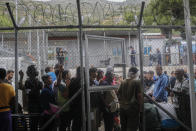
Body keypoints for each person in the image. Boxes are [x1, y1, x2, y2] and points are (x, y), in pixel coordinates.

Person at [118, 67, 143, 131]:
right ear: (136, 74)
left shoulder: (123, 82)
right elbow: (139, 96)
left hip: (122, 108)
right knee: (132, 128)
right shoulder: (137, 82)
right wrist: (141, 109)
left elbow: (118, 94)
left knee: (123, 127)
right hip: (132, 109)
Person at [24, 65, 43, 131]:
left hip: (38, 104)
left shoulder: (38, 81)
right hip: (32, 104)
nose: (36, 71)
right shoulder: (27, 82)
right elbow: (28, 92)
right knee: (33, 123)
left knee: (38, 122)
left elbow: (40, 88)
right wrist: (35, 88)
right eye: (34, 70)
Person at [56, 65, 71, 131]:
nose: (70, 74)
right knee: (63, 126)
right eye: (69, 73)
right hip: (63, 108)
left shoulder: (66, 82)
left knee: (67, 124)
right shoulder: (63, 84)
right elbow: (66, 95)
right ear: (66, 75)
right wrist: (68, 86)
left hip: (67, 107)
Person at [68, 67, 83, 131]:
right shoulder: (84, 81)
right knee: (80, 122)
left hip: (74, 104)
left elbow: (69, 92)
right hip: (81, 105)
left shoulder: (73, 80)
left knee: (76, 123)